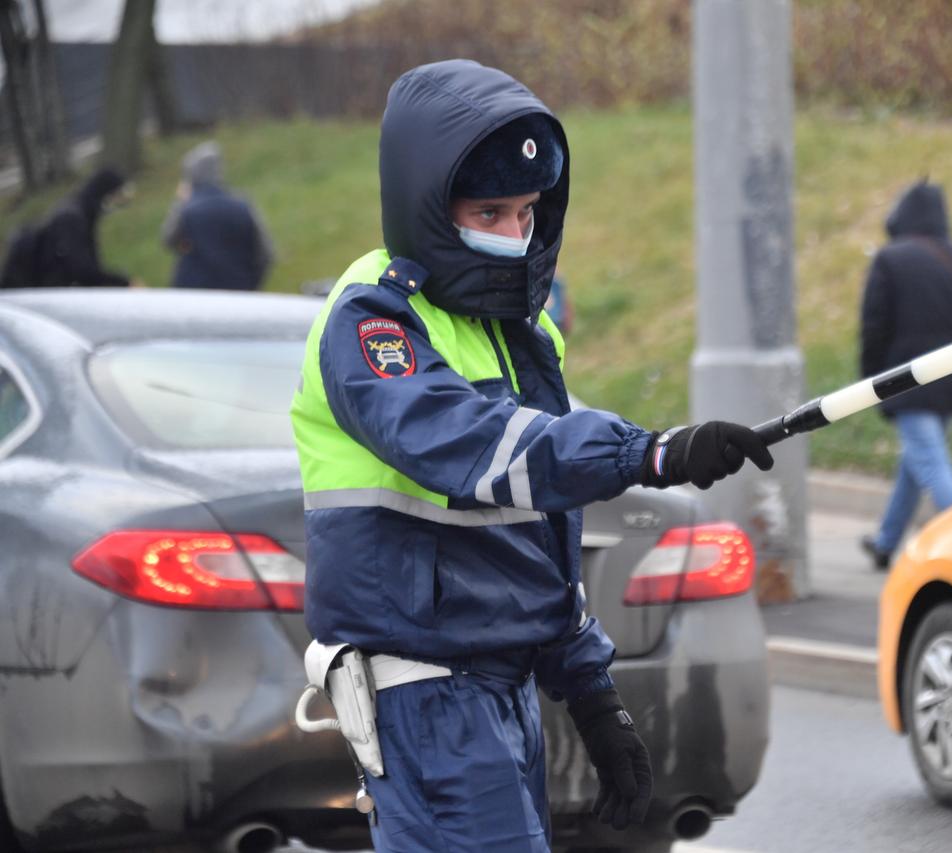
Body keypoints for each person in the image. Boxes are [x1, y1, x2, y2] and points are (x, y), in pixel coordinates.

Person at [289, 59, 773, 852]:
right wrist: (647, 453)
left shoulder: (516, 330)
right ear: (426, 205)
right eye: (489, 210)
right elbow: (474, 449)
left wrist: (591, 690)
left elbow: (537, 525)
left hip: (500, 691)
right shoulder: (374, 321)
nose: (513, 235)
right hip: (428, 691)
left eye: (526, 212)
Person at [858, 180, 952, 570]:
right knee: (917, 460)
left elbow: (874, 326)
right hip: (951, 380)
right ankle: (886, 541)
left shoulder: (889, 260)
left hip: (905, 379)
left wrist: (872, 382)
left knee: (929, 462)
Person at [161, 141, 274, 290]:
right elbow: (265, 254)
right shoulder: (244, 206)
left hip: (193, 292)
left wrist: (180, 202)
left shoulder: (187, 209)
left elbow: (168, 239)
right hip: (238, 291)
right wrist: (252, 283)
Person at [0, 167, 136, 288]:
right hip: (42, 291)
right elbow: (83, 271)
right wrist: (123, 282)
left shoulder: (82, 213)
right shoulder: (71, 218)